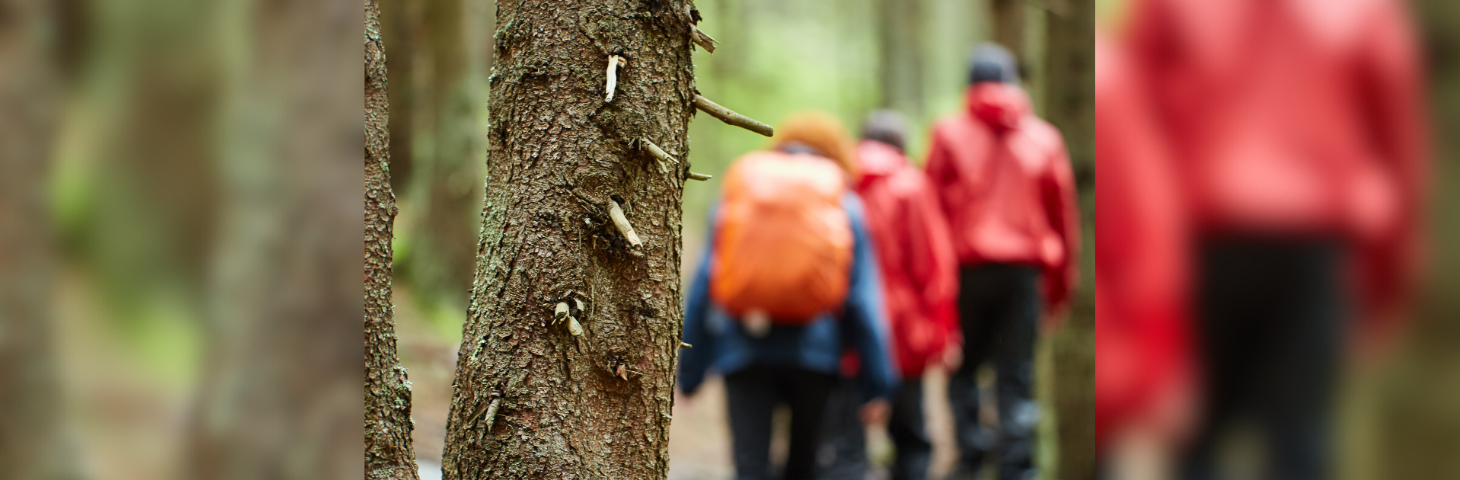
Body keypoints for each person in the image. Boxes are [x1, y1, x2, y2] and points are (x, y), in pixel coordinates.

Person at [1122, 0, 1427, 477]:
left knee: (1198, 436)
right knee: (1300, 437)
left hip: (1206, 234)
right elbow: (1398, 145)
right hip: (1313, 244)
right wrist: (1388, 283)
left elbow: (1135, 116)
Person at [678, 113, 899, 480]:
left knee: (751, 467)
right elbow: (862, 300)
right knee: (805, 465)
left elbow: (706, 282)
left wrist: (690, 372)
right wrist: (877, 383)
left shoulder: (744, 189)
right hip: (815, 354)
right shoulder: (841, 198)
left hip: (743, 349)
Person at [924, 43, 1081, 480]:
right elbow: (1063, 221)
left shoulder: (947, 133)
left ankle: (970, 464)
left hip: (966, 271)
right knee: (1017, 377)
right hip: (1022, 276)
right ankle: (1018, 470)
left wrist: (934, 287)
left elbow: (929, 211)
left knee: (965, 371)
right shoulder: (1044, 137)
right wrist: (1059, 291)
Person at [816, 111, 960, 480]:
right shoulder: (912, 185)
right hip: (903, 334)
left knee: (842, 443)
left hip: (843, 329)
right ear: (902, 146)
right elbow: (934, 267)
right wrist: (942, 332)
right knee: (910, 438)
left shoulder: (834, 181)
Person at [1093, 30, 1196, 480]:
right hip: (1121, 372)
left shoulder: (1111, 79)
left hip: (1116, 374)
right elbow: (1149, 235)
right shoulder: (1114, 80)